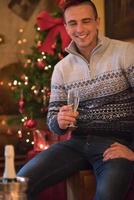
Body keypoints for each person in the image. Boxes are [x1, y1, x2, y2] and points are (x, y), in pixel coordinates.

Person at [17, 0, 134, 199]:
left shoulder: (126, 53)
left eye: (86, 21)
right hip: (77, 143)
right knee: (18, 184)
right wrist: (59, 121)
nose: (80, 29)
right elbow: (54, 120)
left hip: (116, 145)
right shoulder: (61, 69)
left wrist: (133, 151)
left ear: (97, 22)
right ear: (66, 27)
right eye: (73, 23)